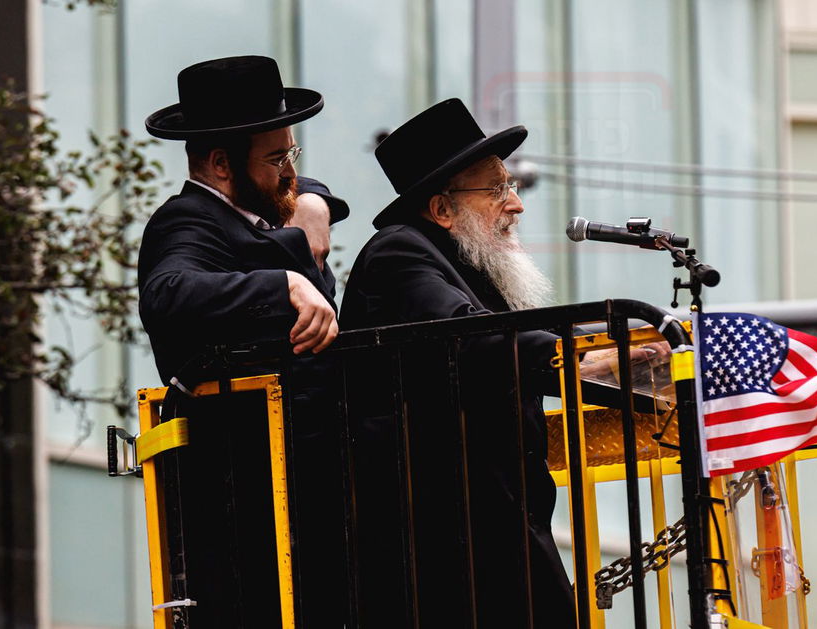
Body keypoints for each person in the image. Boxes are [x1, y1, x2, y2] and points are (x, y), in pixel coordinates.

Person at [341, 97, 575, 629]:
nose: (515, 204)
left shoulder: (465, 262)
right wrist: (577, 354)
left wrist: (615, 350)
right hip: (441, 536)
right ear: (442, 209)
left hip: (491, 519)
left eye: (509, 186)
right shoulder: (399, 254)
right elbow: (469, 339)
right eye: (496, 189)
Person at [138, 54, 350, 627]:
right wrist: (283, 285)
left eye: (292, 155)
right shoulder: (186, 221)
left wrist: (315, 200)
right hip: (249, 506)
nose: (290, 173)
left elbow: (300, 191)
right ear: (219, 163)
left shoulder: (261, 209)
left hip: (308, 492)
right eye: (278, 159)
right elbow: (168, 292)